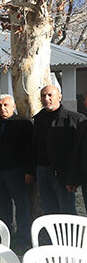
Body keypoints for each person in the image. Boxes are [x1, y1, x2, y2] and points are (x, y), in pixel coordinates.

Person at [0, 94, 34, 249]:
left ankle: (23, 240)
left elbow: (29, 150)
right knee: (0, 206)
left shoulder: (23, 124)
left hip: (16, 171)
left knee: (22, 206)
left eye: (5, 105)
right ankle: (5, 237)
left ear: (13, 106)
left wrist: (29, 172)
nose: (2, 109)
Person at [34, 85, 83, 215]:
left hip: (63, 173)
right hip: (42, 170)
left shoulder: (75, 120)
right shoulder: (38, 119)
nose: (46, 98)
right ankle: (53, 235)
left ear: (59, 97)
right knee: (49, 209)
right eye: (43, 95)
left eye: (50, 95)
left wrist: (73, 177)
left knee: (67, 210)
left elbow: (78, 151)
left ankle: (71, 235)